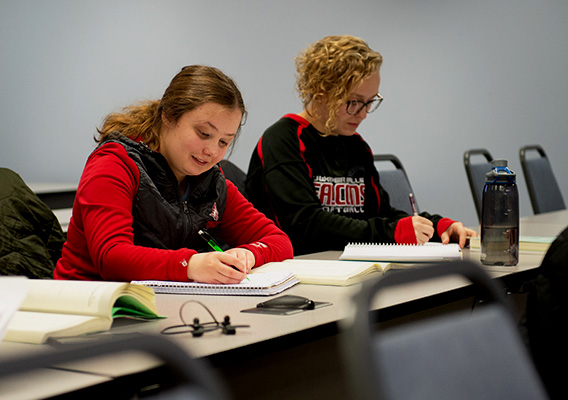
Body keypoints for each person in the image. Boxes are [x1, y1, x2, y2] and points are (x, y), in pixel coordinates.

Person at [55, 65, 293, 283]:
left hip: (161, 306)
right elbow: (112, 257)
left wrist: (250, 254)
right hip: (88, 307)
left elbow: (279, 241)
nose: (211, 151)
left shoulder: (212, 183)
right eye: (203, 133)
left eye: (224, 142)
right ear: (168, 116)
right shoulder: (114, 164)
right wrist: (189, 265)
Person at [245, 35, 477, 255]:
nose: (363, 114)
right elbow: (304, 224)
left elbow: (380, 213)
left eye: (370, 102)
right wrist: (391, 233)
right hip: (298, 268)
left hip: (347, 265)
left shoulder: (356, 146)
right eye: (354, 102)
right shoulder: (284, 139)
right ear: (322, 90)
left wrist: (436, 227)